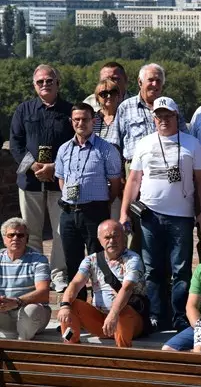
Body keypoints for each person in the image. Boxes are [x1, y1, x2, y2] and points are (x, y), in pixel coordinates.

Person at [119, 96, 201, 331]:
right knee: (153, 269)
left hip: (181, 215)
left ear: (176, 117)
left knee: (181, 269)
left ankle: (180, 315)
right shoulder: (144, 143)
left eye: (168, 116)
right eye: (159, 116)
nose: (164, 120)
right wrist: (124, 212)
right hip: (150, 214)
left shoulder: (191, 144)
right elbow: (134, 180)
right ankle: (157, 315)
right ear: (153, 118)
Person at [10, 64, 73, 292]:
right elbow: (15, 144)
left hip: (60, 180)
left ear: (58, 83)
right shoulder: (23, 110)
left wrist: (55, 167)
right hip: (30, 181)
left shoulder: (69, 111)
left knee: (60, 231)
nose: (45, 84)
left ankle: (58, 274)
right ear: (34, 85)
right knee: (31, 231)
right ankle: (37, 274)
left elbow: (75, 144)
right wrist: (33, 165)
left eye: (49, 80)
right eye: (40, 82)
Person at [55, 103, 122, 289]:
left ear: (94, 121)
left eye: (85, 119)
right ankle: (76, 309)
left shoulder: (106, 149)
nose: (80, 123)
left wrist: (103, 202)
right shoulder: (64, 149)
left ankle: (100, 307)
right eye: (76, 119)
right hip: (68, 212)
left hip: (94, 212)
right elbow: (61, 179)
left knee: (99, 261)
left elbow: (115, 183)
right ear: (71, 121)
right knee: (72, 263)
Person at [58, 220, 146, 347]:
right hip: (102, 321)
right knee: (71, 305)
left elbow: (127, 288)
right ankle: (71, 347)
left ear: (124, 237)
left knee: (123, 311)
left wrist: (113, 314)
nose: (111, 241)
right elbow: (75, 283)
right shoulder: (91, 260)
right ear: (99, 240)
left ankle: (123, 355)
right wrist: (64, 305)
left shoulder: (133, 259)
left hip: (129, 320)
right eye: (107, 237)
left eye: (116, 236)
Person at [108, 63, 188, 165]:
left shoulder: (172, 107)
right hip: (135, 165)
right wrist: (118, 173)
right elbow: (114, 144)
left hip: (167, 165)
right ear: (140, 82)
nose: (155, 84)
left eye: (158, 81)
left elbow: (185, 137)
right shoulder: (125, 107)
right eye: (150, 80)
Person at [0, 218, 51, 340]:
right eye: (11, 235)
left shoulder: (38, 259)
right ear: (4, 239)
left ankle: (22, 345)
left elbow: (44, 293)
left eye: (20, 235)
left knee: (32, 310)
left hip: (30, 314)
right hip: (4, 312)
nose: (15, 238)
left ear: (26, 238)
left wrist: (17, 301)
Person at [92, 78, 122, 142]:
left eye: (113, 93)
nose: (109, 96)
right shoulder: (91, 119)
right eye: (104, 94)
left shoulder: (124, 117)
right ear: (97, 98)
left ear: (118, 96)